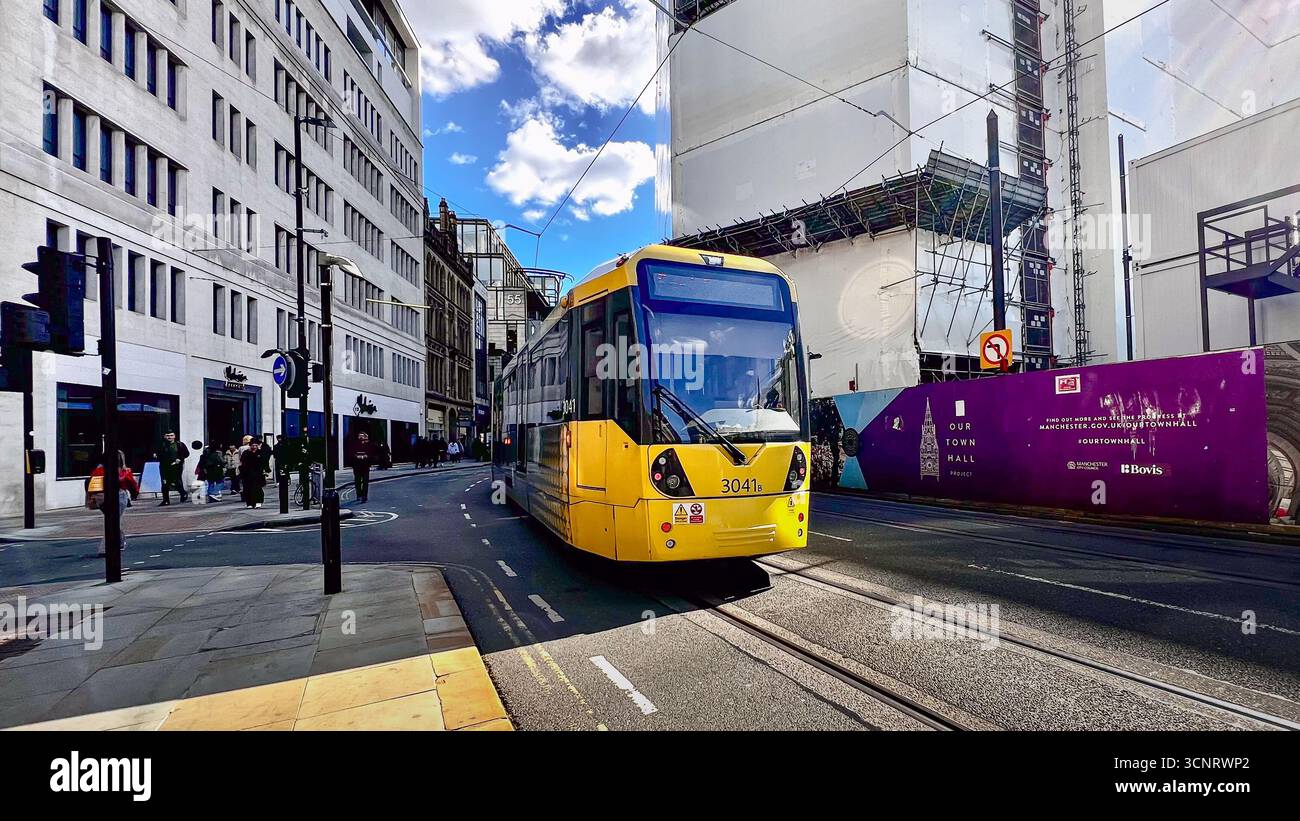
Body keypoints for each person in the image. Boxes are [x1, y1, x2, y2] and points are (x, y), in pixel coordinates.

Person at [87, 451, 139, 557]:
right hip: (118, 495)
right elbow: (132, 484)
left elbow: (90, 484)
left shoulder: (98, 470)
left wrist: (92, 498)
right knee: (113, 522)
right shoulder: (124, 471)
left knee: (112, 520)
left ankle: (119, 542)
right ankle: (105, 548)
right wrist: (134, 494)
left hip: (101, 497)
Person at [156, 432, 190, 505]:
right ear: (164, 436)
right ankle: (166, 500)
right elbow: (156, 453)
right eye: (167, 436)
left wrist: (180, 459)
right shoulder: (161, 445)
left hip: (176, 466)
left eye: (171, 435)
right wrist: (156, 455)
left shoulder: (179, 444)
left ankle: (183, 493)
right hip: (164, 466)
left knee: (176, 481)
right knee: (164, 483)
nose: (169, 437)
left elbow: (186, 454)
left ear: (174, 436)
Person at [239, 439, 266, 508]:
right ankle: (249, 503)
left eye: (255, 445)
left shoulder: (260, 452)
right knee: (248, 488)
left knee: (257, 488)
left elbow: (263, 462)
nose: (254, 447)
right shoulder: (246, 453)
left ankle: (258, 501)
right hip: (247, 473)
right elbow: (242, 463)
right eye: (253, 445)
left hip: (258, 473)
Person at [350, 432, 375, 503]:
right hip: (357, 466)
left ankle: (364, 496)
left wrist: (366, 456)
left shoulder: (368, 444)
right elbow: (351, 453)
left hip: (365, 466)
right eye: (359, 436)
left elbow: (371, 453)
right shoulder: (354, 444)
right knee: (357, 482)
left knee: (365, 482)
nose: (361, 438)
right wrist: (356, 456)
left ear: (365, 437)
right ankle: (359, 495)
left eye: (362, 436)